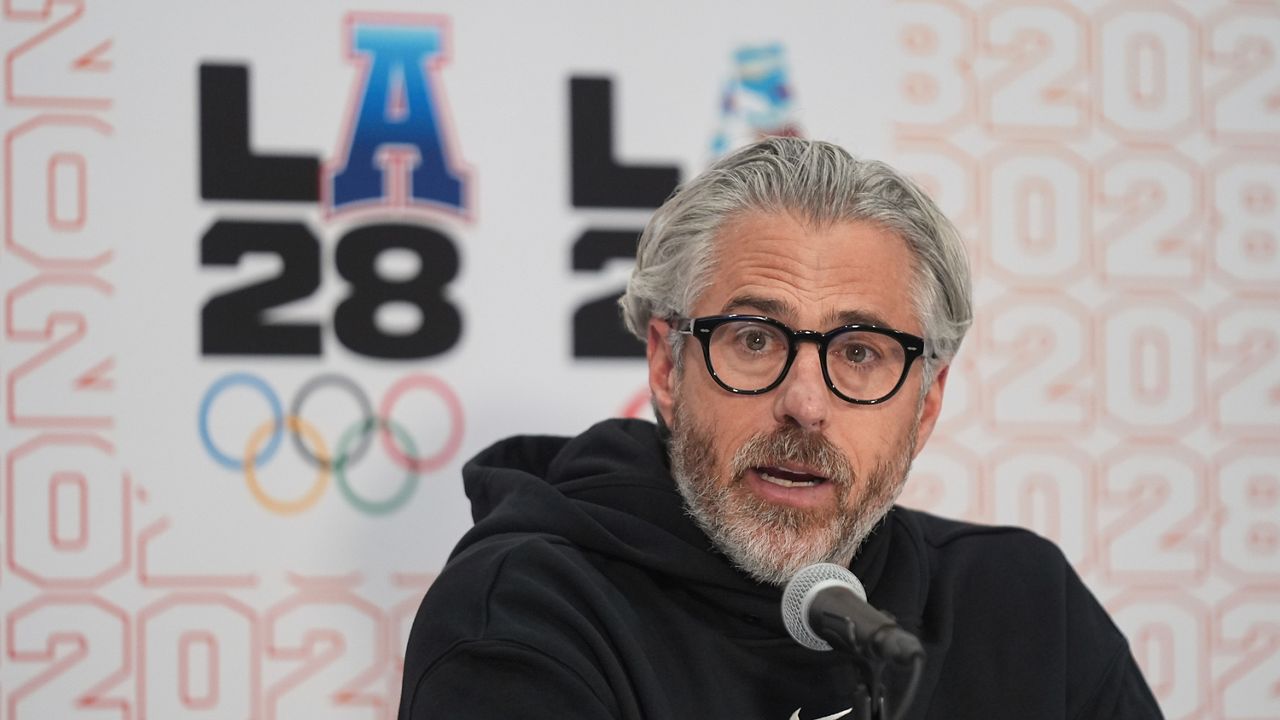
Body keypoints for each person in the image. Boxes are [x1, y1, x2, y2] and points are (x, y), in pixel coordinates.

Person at [397, 138, 1163, 719]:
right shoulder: (527, 615)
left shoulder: (1022, 606)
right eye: (756, 340)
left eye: (860, 352)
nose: (805, 403)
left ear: (926, 403)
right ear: (668, 366)